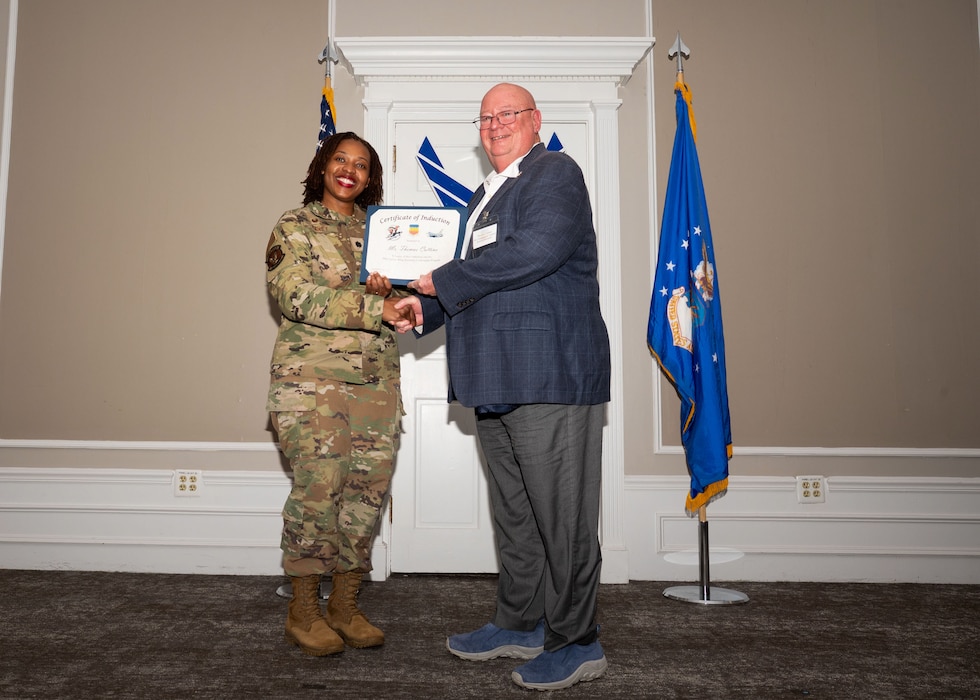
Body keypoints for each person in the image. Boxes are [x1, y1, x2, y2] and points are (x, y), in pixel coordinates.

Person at [395, 83, 612, 691]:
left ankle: (578, 640)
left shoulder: (553, 173)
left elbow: (534, 252)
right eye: (486, 117)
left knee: (562, 517)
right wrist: (422, 311)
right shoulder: (483, 199)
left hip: (549, 373)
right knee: (516, 514)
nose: (495, 126)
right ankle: (520, 622)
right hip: (495, 373)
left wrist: (439, 279)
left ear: (535, 121)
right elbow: (475, 285)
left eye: (508, 115)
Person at [265, 131, 414, 657]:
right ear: (323, 167)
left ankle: (344, 605)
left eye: (362, 166)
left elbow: (400, 303)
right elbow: (295, 294)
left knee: (366, 492)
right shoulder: (295, 225)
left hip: (375, 381)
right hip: (311, 384)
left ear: (371, 178)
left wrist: (389, 293)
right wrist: (372, 306)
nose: (350, 171)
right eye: (341, 160)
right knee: (320, 487)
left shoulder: (383, 234)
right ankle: (303, 610)